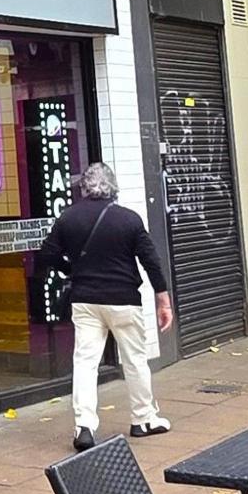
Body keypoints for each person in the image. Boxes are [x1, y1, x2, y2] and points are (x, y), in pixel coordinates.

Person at [35, 162, 174, 450]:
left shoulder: (68, 218)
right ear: (113, 187)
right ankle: (143, 419)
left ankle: (84, 426)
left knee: (85, 363)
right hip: (123, 300)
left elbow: (46, 254)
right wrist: (163, 299)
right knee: (135, 360)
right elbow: (151, 261)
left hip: (85, 300)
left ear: (84, 187)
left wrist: (70, 268)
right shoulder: (129, 220)